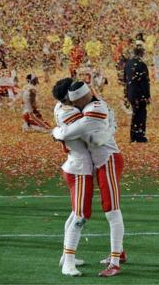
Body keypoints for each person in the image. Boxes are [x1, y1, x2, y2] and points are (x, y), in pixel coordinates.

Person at [52, 81, 126, 277]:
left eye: (76, 101)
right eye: (71, 101)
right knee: (82, 213)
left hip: (106, 160)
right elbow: (94, 133)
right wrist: (110, 128)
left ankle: (116, 261)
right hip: (87, 165)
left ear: (85, 97)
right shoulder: (76, 109)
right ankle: (114, 254)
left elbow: (69, 132)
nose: (74, 106)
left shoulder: (93, 108)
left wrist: (55, 132)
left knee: (110, 210)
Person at [50, 78, 92, 277]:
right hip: (80, 167)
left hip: (74, 164)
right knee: (80, 215)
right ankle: (68, 262)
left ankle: (66, 256)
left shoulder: (60, 107)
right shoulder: (73, 113)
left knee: (75, 212)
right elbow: (90, 132)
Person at [124, 42, 150, 142]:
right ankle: (139, 135)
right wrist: (147, 95)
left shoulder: (128, 63)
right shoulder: (142, 64)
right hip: (140, 93)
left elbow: (125, 80)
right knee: (141, 114)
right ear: (142, 54)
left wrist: (126, 95)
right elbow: (145, 82)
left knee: (135, 113)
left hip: (131, 92)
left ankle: (133, 135)